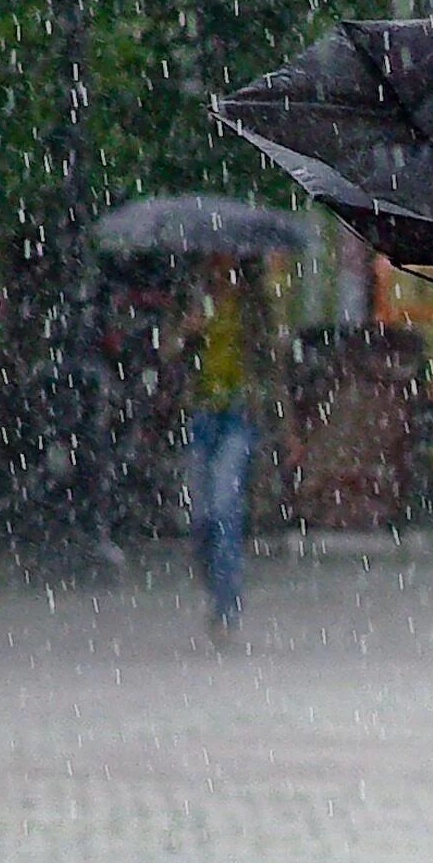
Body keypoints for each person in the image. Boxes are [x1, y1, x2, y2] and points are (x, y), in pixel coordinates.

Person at [182, 255, 274, 642]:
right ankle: (214, 586)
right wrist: (188, 332)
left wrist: (281, 424)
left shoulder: (252, 308)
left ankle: (227, 605)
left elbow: (272, 362)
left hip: (237, 414)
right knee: (201, 516)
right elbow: (169, 352)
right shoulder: (194, 301)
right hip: (201, 413)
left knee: (225, 508)